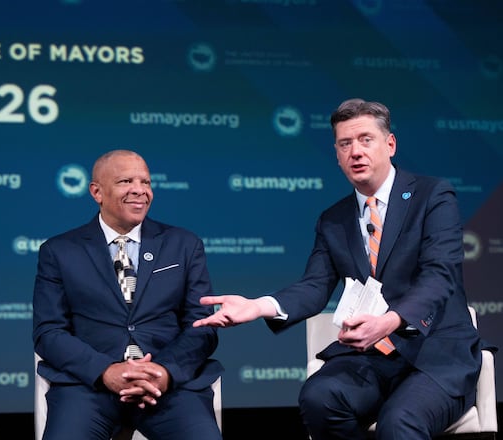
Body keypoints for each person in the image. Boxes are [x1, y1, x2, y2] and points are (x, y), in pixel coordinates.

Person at [194, 98, 486, 439]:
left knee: (399, 422)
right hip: (372, 359)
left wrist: (388, 322)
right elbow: (315, 287)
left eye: (366, 139)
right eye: (345, 144)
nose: (356, 152)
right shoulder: (334, 220)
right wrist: (258, 306)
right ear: (336, 154)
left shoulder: (432, 196)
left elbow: (439, 276)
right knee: (319, 398)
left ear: (390, 144)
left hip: (434, 355)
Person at [33, 150, 223, 440]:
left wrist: (163, 371)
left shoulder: (183, 244)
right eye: (126, 181)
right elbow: (49, 332)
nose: (139, 190)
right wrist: (106, 371)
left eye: (145, 182)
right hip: (90, 388)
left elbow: (202, 328)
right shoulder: (59, 251)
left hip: (166, 388)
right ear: (97, 191)